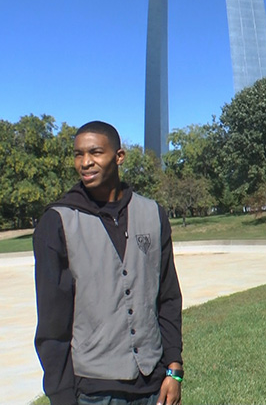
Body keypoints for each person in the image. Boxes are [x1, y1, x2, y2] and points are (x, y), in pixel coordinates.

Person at [34, 121, 184, 405]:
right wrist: (62, 396)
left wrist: (174, 369)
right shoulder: (57, 222)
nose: (85, 162)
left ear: (119, 156)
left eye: (95, 152)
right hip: (94, 391)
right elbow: (53, 325)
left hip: (154, 386)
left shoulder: (153, 213)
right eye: (78, 154)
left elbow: (168, 297)